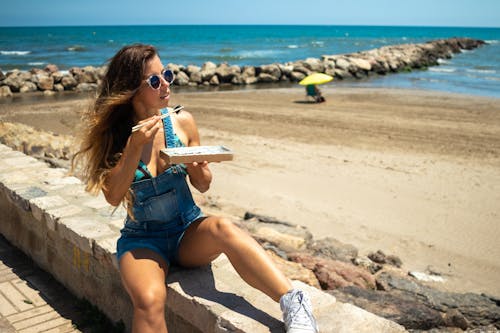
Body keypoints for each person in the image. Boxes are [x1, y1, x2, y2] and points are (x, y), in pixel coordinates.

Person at [72, 43, 319, 333]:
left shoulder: (182, 122)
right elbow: (113, 196)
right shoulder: (116, 136)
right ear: (131, 90)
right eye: (154, 80)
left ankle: (295, 303)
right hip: (143, 240)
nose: (165, 84)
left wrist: (199, 167)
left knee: (223, 227)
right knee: (149, 302)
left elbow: (203, 185)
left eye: (167, 74)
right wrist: (133, 148)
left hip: (187, 233)